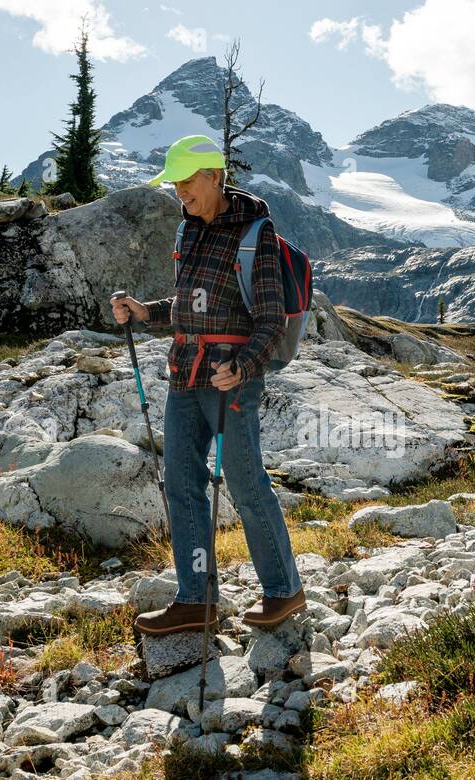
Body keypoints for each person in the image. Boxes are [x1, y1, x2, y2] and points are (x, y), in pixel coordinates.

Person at [111, 134, 305, 636]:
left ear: (214, 176)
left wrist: (242, 366)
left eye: (186, 181)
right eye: (174, 183)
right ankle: (195, 599)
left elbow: (271, 321)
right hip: (184, 373)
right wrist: (146, 311)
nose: (179, 192)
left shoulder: (255, 234)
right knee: (180, 484)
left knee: (244, 483)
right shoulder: (187, 232)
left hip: (230, 382)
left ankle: (285, 590)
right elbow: (187, 305)